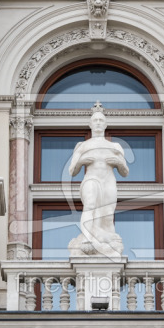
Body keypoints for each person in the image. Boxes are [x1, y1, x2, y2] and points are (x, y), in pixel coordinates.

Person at [68, 101, 130, 258]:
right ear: (90, 124)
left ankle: (106, 241)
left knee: (108, 215)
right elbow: (72, 171)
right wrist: (81, 161)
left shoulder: (115, 146)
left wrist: (118, 162)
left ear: (105, 124)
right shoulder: (82, 145)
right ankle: (88, 238)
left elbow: (125, 172)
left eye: (101, 120)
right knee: (89, 206)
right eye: (95, 120)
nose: (98, 123)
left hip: (108, 181)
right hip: (91, 179)